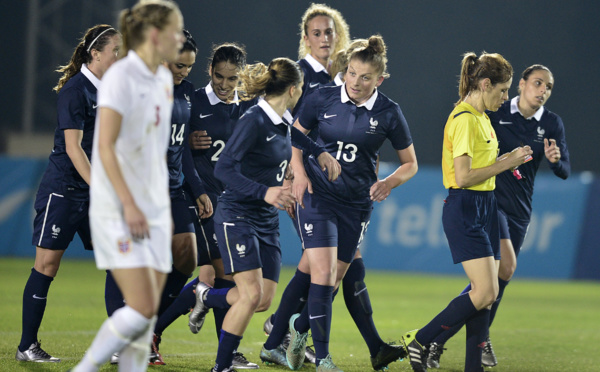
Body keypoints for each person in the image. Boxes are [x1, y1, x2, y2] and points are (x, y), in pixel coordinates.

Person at [264, 35, 418, 372]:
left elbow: (411, 163)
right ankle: (323, 359)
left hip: (356, 205)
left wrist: (389, 182)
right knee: (324, 272)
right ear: (345, 70)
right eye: (351, 73)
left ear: (379, 79)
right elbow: (296, 134)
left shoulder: (389, 112)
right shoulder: (321, 98)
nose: (356, 83)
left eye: (366, 78)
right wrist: (299, 171)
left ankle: (285, 334)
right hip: (318, 196)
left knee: (323, 278)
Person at [186, 57, 339, 372]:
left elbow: (294, 136)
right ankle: (222, 366)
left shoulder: (281, 118)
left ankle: (205, 296)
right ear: (294, 90)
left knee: (263, 300)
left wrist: (318, 151)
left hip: (265, 219)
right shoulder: (254, 119)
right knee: (249, 294)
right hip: (238, 213)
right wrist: (265, 192)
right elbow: (225, 167)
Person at [425, 64, 570, 369]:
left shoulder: (552, 124)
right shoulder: (494, 109)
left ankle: (457, 340)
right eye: (538, 83)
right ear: (522, 85)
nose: (542, 90)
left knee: (496, 280)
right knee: (503, 270)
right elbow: (473, 152)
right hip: (491, 201)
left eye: (549, 87)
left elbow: (565, 169)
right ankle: (441, 340)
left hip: (519, 209)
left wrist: (556, 161)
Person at [400, 52, 533, 372]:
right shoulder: (463, 119)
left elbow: (485, 167)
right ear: (485, 84)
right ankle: (421, 340)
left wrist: (507, 162)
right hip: (466, 207)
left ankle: (472, 365)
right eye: (503, 90)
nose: (506, 97)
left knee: (490, 289)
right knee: (486, 291)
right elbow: (463, 177)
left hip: (487, 205)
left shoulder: (483, 117)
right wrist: (505, 164)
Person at [71, 2, 184, 371]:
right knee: (141, 307)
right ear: (155, 35)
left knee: (147, 318)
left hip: (152, 207)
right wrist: (129, 204)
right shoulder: (122, 77)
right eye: (175, 31)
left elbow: (153, 152)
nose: (180, 39)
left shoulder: (163, 79)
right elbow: (104, 146)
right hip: (119, 207)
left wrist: (158, 209)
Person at [104, 28, 213, 366]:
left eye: (188, 67)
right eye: (178, 65)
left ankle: (148, 327)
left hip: (173, 187)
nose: (183, 73)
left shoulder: (186, 93)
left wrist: (197, 190)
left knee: (186, 256)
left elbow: (181, 148)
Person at [15, 24, 120, 363]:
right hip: (64, 190)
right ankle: (26, 347)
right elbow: (74, 149)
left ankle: (118, 345)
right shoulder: (76, 90)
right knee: (47, 265)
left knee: (119, 262)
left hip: (91, 193)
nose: (119, 57)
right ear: (96, 53)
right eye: (115, 50)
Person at [152, 42, 260, 369]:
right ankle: (227, 352)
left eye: (231, 79)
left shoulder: (249, 107)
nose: (224, 85)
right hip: (202, 199)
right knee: (227, 276)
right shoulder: (194, 101)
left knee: (213, 278)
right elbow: (174, 143)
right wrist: (188, 143)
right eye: (219, 76)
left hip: (234, 203)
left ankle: (152, 332)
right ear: (210, 71)